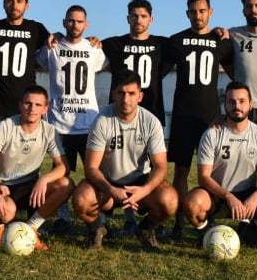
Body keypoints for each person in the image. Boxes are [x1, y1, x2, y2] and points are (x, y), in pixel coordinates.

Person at [72, 71, 178, 251]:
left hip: (139, 183)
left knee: (170, 200)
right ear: (113, 94)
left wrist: (144, 190)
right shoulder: (102, 121)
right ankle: (97, 229)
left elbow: (161, 167)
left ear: (140, 96)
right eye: (121, 93)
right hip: (108, 184)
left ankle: (146, 229)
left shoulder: (151, 122)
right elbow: (91, 168)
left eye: (131, 93)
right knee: (82, 199)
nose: (126, 99)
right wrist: (112, 190)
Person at [183, 81, 257, 247]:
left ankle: (253, 231)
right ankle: (207, 233)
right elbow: (203, 177)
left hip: (248, 196)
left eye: (242, 101)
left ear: (251, 104)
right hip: (217, 195)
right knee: (191, 203)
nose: (237, 106)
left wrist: (254, 198)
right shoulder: (212, 134)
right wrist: (228, 197)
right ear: (225, 105)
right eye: (231, 101)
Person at [166, 0, 232, 241]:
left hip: (211, 118)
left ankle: (207, 214)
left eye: (202, 11)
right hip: (183, 116)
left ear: (210, 13)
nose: (198, 16)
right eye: (193, 11)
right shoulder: (176, 41)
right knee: (181, 171)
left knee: (210, 173)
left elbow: (236, 70)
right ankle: (179, 222)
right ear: (187, 14)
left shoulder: (221, 41)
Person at [36, 4, 107, 234]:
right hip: (60, 124)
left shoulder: (94, 48)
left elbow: (106, 64)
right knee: (61, 174)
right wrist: (50, 38)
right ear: (64, 22)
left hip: (88, 124)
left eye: (79, 21)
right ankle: (63, 218)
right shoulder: (52, 46)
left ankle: (97, 218)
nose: (75, 25)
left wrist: (98, 41)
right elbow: (36, 62)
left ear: (86, 24)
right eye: (71, 20)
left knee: (95, 174)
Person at [0, 86, 73, 251]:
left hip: (30, 186)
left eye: (38, 105)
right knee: (7, 212)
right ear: (20, 105)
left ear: (45, 108)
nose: (32, 108)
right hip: (2, 186)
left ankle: (31, 229)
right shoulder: (6, 126)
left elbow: (63, 166)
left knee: (66, 184)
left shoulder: (49, 131)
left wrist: (44, 180)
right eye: (28, 103)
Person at [0, 0, 49, 141]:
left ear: (27, 5)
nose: (14, 5)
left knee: (24, 153)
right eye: (10, 1)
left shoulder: (36, 28)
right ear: (4, 3)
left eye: (19, 1)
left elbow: (58, 44)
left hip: (26, 105)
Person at [102, 0, 174, 126]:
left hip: (152, 112)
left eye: (143, 16)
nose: (139, 20)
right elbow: (85, 47)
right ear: (128, 18)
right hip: (118, 113)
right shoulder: (114, 44)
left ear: (151, 19)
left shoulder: (163, 44)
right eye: (134, 16)